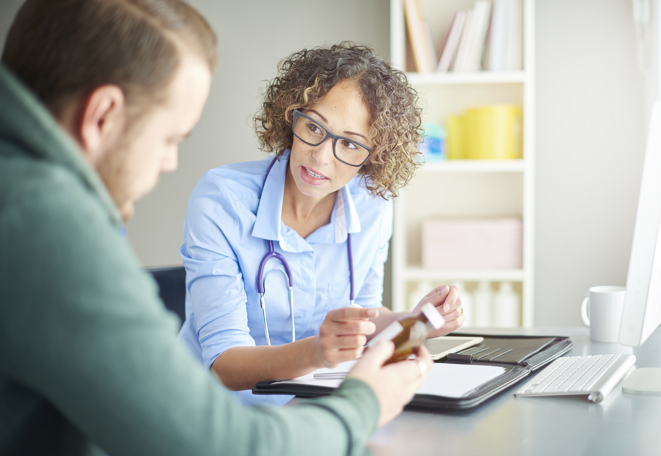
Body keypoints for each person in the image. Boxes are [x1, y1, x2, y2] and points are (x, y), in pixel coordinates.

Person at [0, 1, 434, 455]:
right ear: (102, 116)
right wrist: (363, 403)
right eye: (170, 139)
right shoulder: (46, 225)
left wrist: (409, 322)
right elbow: (225, 442)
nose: (170, 163)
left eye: (348, 144)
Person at [179, 43, 466, 406]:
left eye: (349, 144)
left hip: (313, 405)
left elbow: (362, 322)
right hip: (214, 411)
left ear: (373, 157)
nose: (320, 156)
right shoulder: (222, 200)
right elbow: (224, 365)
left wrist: (415, 320)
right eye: (314, 126)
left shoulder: (373, 206)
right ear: (290, 115)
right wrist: (318, 351)